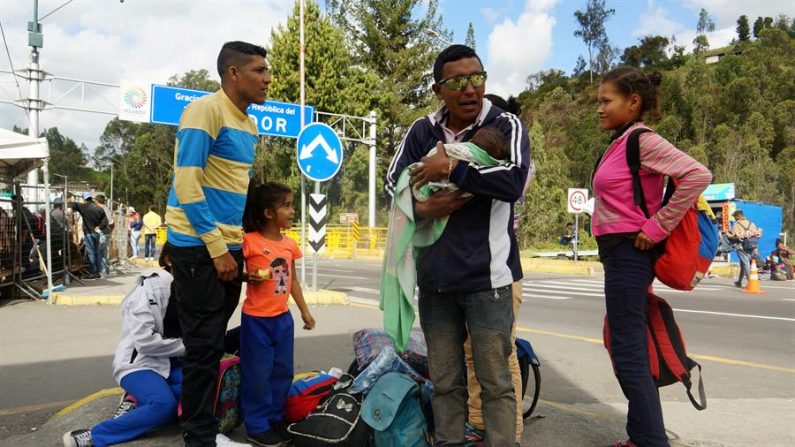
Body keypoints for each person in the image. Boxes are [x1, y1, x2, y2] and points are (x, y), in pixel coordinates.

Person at [385, 44, 530, 446]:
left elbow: (513, 182)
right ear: (439, 90)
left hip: (489, 280)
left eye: (477, 78)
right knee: (446, 381)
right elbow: (392, 181)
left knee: (495, 380)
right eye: (458, 82)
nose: (470, 89)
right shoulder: (421, 130)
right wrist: (424, 206)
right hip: (435, 282)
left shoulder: (506, 126)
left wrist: (451, 166)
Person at [592, 67, 712, 447]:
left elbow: (697, 175)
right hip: (619, 253)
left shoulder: (641, 140)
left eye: (605, 101)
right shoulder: (618, 141)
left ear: (633, 102)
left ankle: (650, 441)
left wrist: (658, 227)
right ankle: (644, 435)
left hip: (631, 253)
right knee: (630, 346)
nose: (599, 108)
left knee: (627, 350)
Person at [166, 40, 271, 447]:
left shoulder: (247, 124)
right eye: (259, 71)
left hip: (225, 246)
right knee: (204, 347)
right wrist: (214, 249)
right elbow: (186, 184)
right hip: (199, 245)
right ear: (233, 73)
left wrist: (240, 245)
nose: (267, 79)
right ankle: (199, 436)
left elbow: (232, 191)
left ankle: (204, 424)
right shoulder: (204, 111)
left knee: (210, 340)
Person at [62, 247, 184, 447]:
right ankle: (95, 435)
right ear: (169, 260)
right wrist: (187, 347)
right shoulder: (149, 288)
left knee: (200, 386)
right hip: (138, 365)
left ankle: (136, 398)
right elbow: (144, 342)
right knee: (164, 405)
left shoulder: (192, 288)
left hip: (170, 363)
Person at [239, 182, 315, 446]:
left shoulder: (289, 244)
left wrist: (304, 311)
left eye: (292, 205)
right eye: (287, 205)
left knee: (282, 372)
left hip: (282, 318)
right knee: (258, 374)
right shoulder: (249, 241)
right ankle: (257, 425)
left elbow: (292, 280)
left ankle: (275, 419)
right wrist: (245, 276)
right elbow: (235, 271)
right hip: (257, 320)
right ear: (269, 213)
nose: (293, 211)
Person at [69, 192, 109, 279]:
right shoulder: (99, 208)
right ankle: (98, 271)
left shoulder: (83, 207)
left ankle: (93, 272)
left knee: (91, 253)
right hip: (97, 232)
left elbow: (73, 205)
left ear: (84, 199)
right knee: (98, 252)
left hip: (88, 233)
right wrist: (98, 227)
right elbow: (105, 221)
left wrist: (72, 199)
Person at [725, 209, 762, 288]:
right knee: (743, 264)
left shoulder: (737, 224)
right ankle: (739, 281)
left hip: (741, 247)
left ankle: (750, 282)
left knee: (746, 264)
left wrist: (728, 235)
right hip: (752, 246)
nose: (734, 218)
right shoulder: (752, 223)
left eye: (734, 217)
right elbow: (756, 236)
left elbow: (735, 237)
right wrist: (756, 249)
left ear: (738, 216)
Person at [95, 194, 114, 278]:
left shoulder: (101, 209)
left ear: (97, 201)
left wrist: (98, 228)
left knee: (99, 252)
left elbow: (104, 222)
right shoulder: (107, 209)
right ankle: (106, 270)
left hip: (101, 232)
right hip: (107, 233)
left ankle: (102, 272)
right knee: (104, 252)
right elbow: (112, 223)